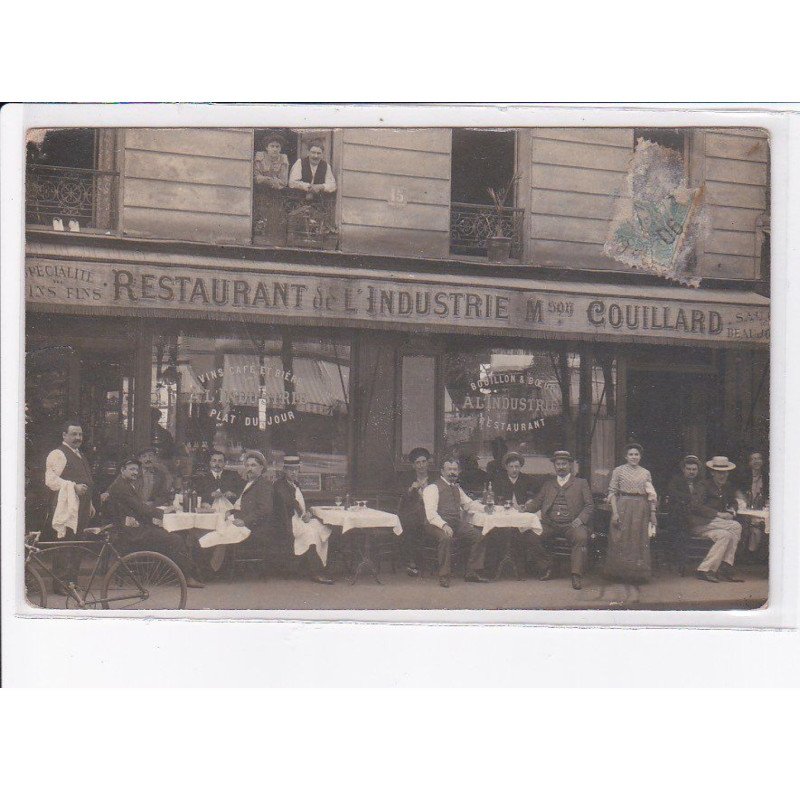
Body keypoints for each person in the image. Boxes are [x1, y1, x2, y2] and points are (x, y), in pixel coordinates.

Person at [105, 458, 205, 588]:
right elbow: (141, 509)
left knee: (170, 534)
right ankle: (187, 577)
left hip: (130, 528)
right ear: (122, 470)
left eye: (136, 470)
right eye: (131, 469)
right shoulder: (122, 487)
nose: (135, 472)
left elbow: (138, 508)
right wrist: (163, 512)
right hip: (132, 533)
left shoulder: (123, 483)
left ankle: (171, 574)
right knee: (176, 540)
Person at [523, 450, 594, 590]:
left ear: (570, 465)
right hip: (550, 524)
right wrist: (524, 508)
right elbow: (537, 503)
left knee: (580, 537)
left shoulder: (581, 483)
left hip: (572, 524)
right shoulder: (548, 484)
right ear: (554, 466)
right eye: (558, 464)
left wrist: (580, 519)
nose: (561, 467)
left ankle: (576, 574)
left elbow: (589, 505)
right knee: (530, 536)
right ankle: (548, 566)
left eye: (564, 464)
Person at [44, 419, 95, 593]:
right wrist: (73, 487)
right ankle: (60, 584)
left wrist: (90, 503)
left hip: (82, 505)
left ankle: (71, 582)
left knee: (77, 543)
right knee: (65, 543)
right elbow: (50, 481)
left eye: (80, 434)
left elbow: (85, 480)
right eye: (73, 434)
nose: (78, 437)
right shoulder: (58, 454)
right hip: (66, 505)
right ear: (64, 435)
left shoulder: (79, 454)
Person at [422, 456, 489, 588]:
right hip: (435, 524)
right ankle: (444, 575)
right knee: (445, 538)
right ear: (442, 471)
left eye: (455, 469)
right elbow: (431, 514)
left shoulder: (457, 488)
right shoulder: (432, 488)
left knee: (478, 536)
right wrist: (444, 525)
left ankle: (471, 572)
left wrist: (485, 508)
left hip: (455, 523)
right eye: (449, 469)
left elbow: (469, 504)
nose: (452, 472)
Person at [272, 455, 334, 584]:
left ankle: (322, 566)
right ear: (284, 470)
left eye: (296, 470)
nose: (293, 472)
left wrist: (308, 513)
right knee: (310, 534)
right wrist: (302, 513)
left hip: (299, 518)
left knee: (322, 528)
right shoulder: (279, 485)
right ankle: (316, 572)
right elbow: (288, 500)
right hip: (288, 521)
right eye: (290, 470)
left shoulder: (296, 484)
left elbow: (300, 502)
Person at [604, 443, 657, 583]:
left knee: (638, 539)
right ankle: (619, 574)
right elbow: (612, 493)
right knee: (620, 538)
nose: (634, 457)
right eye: (631, 454)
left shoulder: (646, 473)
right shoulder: (618, 471)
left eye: (636, 454)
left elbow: (651, 495)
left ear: (640, 456)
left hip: (641, 507)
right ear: (626, 456)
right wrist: (615, 513)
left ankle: (637, 575)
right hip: (623, 506)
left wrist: (653, 513)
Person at [691, 456, 744, 583]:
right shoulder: (703, 485)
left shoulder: (727, 486)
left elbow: (734, 502)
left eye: (725, 472)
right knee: (736, 526)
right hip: (700, 523)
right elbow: (695, 506)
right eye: (719, 472)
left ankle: (705, 569)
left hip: (717, 526)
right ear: (712, 473)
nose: (722, 475)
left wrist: (732, 511)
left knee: (726, 535)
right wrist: (719, 514)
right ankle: (726, 566)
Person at [227, 450, 275, 565]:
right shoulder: (249, 483)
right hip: (241, 521)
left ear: (261, 468)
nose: (249, 468)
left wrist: (244, 521)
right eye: (247, 465)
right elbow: (245, 506)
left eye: (253, 465)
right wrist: (231, 511)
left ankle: (215, 567)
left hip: (254, 528)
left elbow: (264, 510)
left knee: (220, 535)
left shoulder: (264, 485)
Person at [396, 447, 435, 577]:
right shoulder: (407, 479)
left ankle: (422, 561)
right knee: (410, 523)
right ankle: (412, 561)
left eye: (424, 462)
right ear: (413, 465)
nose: (421, 465)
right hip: (412, 514)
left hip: (432, 512)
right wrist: (411, 489)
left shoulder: (434, 479)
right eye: (418, 463)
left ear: (428, 463)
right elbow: (403, 499)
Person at [253, 133, 289, 241]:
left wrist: (266, 179)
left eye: (277, 146)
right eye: (272, 146)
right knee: (259, 216)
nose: (275, 149)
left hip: (276, 194)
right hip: (260, 192)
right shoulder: (260, 157)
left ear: (280, 148)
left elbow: (283, 182)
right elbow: (257, 178)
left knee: (275, 219)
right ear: (266, 147)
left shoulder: (283, 159)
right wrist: (272, 180)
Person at [736, 450, 768, 556]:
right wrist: (743, 500)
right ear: (749, 463)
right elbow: (737, 491)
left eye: (758, 458)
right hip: (746, 509)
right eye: (753, 459)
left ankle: (755, 554)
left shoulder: (767, 477)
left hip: (760, 510)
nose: (756, 461)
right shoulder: (744, 477)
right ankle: (746, 554)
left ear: (762, 461)